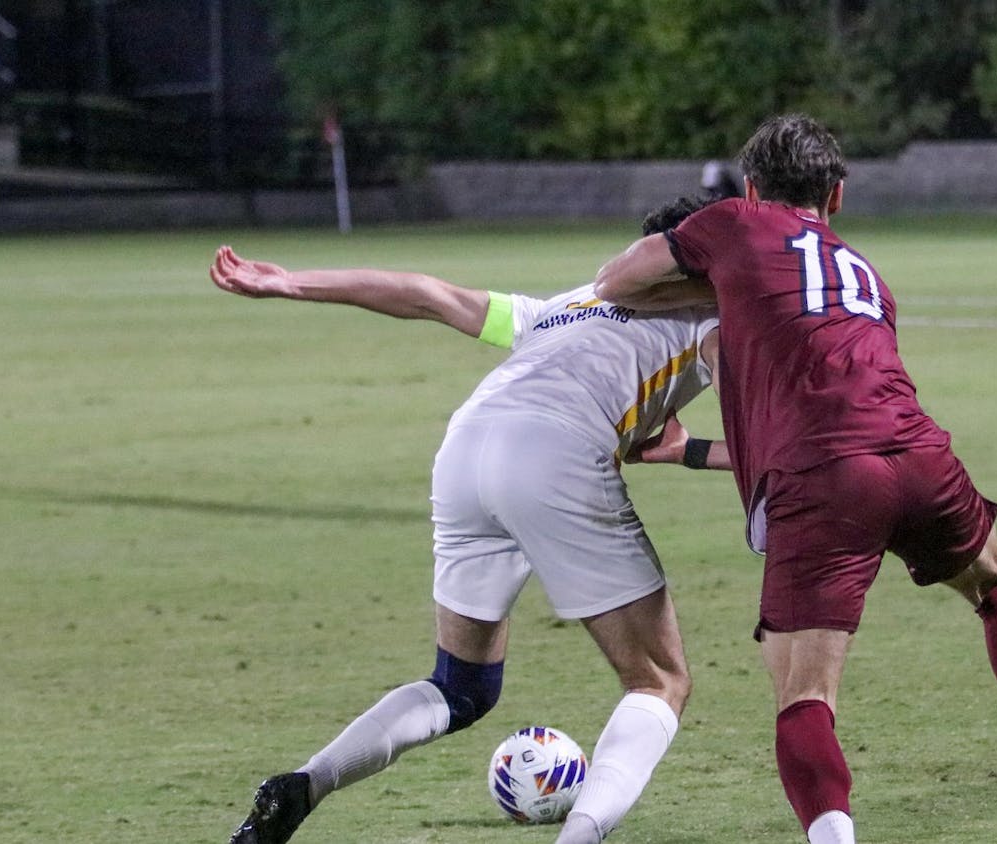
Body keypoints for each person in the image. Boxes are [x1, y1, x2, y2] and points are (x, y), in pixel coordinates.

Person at [594, 114, 997, 842]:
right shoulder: (865, 275)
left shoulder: (733, 221)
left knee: (804, 696)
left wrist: (705, 291)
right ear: (836, 197)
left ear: (749, 188)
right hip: (920, 455)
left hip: (827, 480)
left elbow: (614, 283)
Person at [213, 196, 728, 844]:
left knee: (461, 687)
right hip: (554, 454)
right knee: (658, 680)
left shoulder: (571, 302)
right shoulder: (711, 317)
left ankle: (303, 784)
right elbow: (770, 445)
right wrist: (696, 452)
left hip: (465, 448)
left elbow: (429, 295)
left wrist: (290, 282)